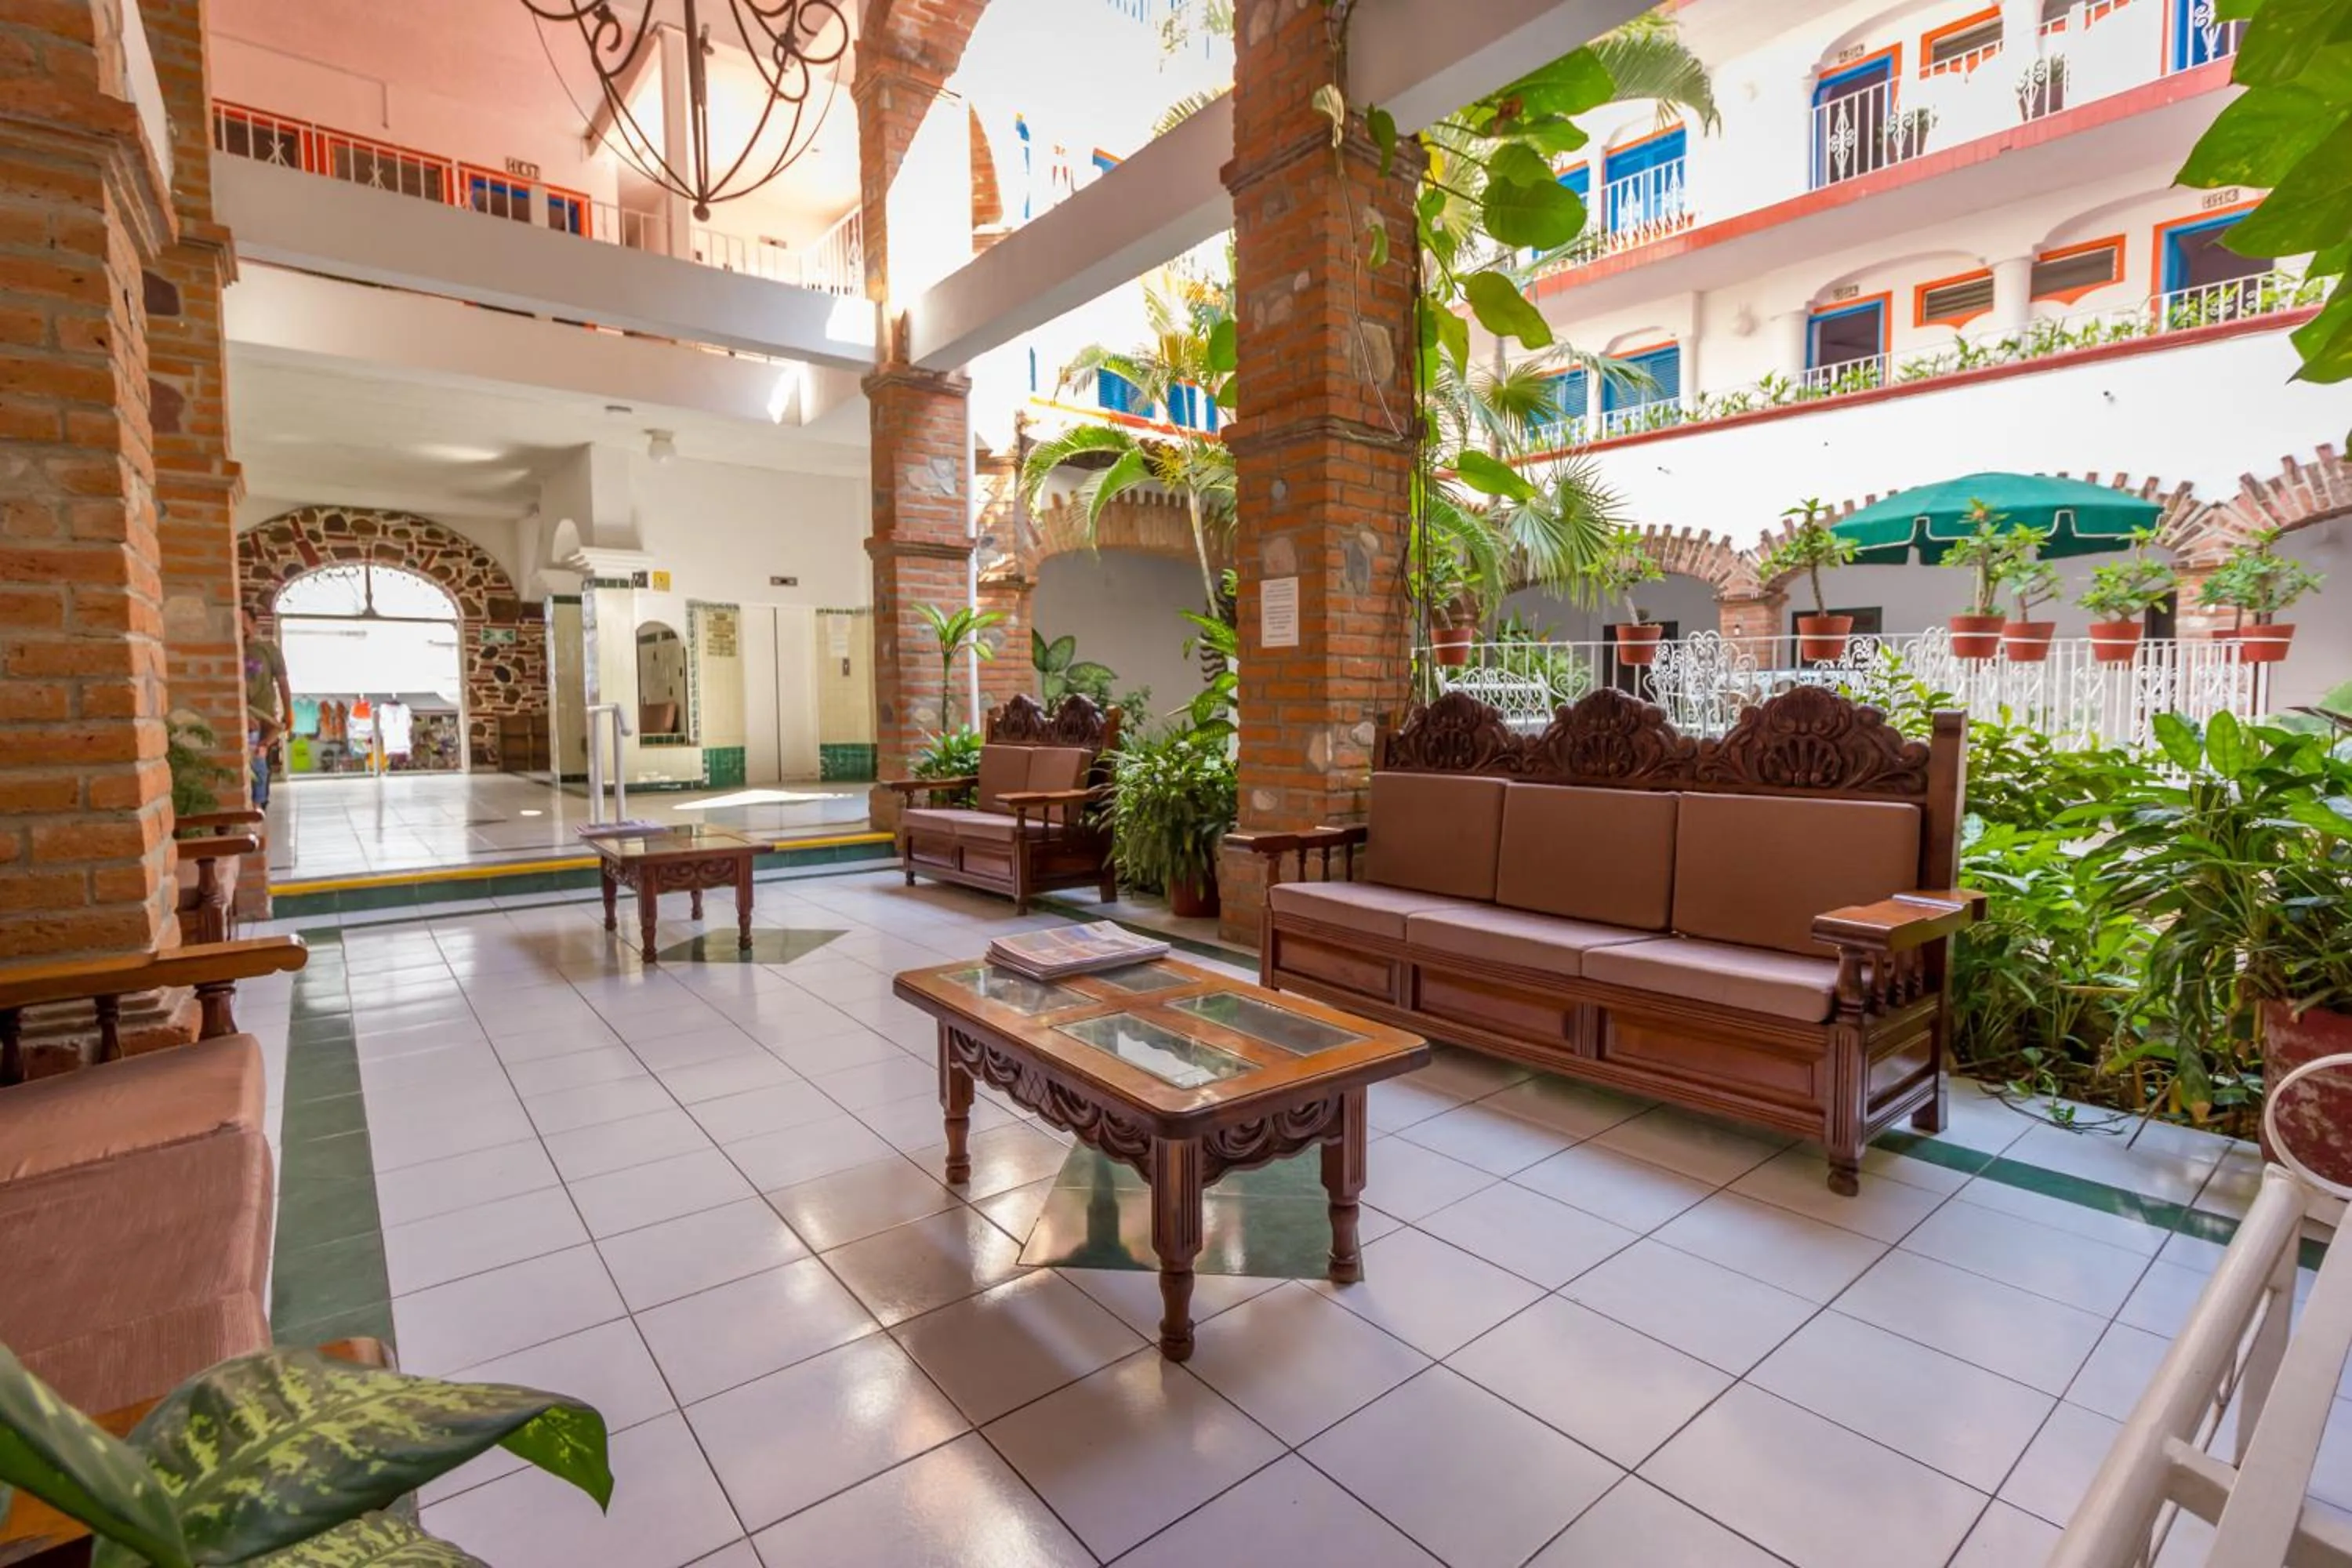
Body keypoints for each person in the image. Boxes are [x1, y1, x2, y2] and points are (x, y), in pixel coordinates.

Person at [242, 608, 292, 808]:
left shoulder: (268, 649)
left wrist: (289, 712)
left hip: (265, 715)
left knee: (260, 759)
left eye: (244, 621)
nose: (241, 626)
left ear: (254, 624)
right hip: (242, 716)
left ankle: (259, 804)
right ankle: (252, 804)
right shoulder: (229, 649)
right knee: (251, 761)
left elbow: (283, 682)